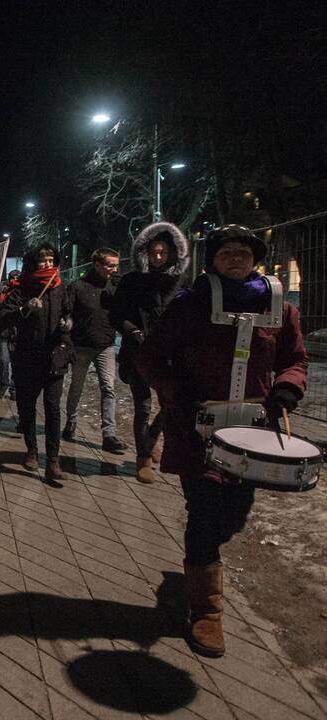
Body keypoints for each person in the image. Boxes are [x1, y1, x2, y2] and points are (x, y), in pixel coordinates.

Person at [136, 224, 307, 658]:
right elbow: (151, 358)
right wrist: (180, 394)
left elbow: (294, 360)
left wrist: (288, 386)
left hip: (252, 434)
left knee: (234, 518)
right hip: (198, 430)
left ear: (255, 259)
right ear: (212, 259)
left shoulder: (280, 309)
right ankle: (207, 611)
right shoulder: (188, 306)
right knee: (206, 514)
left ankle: (200, 567)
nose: (235, 258)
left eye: (243, 252)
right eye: (226, 251)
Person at [109, 222, 190, 482]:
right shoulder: (132, 281)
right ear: (144, 253)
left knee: (172, 403)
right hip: (139, 353)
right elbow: (116, 314)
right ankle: (143, 459)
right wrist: (133, 331)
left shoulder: (180, 282)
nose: (157, 257)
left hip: (170, 355)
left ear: (172, 253)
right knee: (142, 407)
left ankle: (153, 435)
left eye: (162, 253)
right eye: (153, 252)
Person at [0, 243, 74, 486]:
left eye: (51, 259)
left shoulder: (60, 288)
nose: (48, 264)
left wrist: (68, 325)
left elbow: (69, 314)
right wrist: (24, 308)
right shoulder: (21, 288)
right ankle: (31, 449)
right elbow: (2, 319)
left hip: (54, 358)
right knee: (27, 406)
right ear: (33, 262)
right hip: (26, 358)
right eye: (43, 260)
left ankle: (53, 460)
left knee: (52, 407)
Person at [62, 247, 127, 453]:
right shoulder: (78, 286)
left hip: (106, 346)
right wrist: (67, 329)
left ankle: (109, 434)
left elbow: (124, 310)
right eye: (110, 265)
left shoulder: (115, 286)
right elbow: (67, 312)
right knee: (77, 387)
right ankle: (71, 421)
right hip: (81, 346)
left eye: (116, 266)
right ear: (97, 264)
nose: (113, 270)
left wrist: (121, 291)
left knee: (109, 388)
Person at [0, 269, 20, 400]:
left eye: (17, 278)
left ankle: (14, 388)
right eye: (13, 278)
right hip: (4, 333)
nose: (14, 280)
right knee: (4, 361)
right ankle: (4, 383)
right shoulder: (3, 294)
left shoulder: (22, 293)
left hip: (17, 335)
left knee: (16, 363)